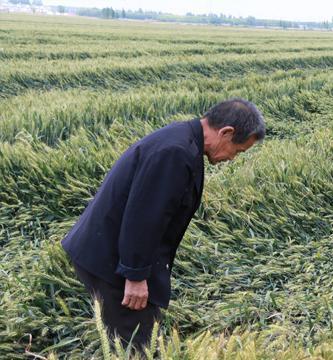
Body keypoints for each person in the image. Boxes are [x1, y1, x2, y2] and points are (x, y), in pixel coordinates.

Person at [61, 98, 265, 348]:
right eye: (238, 150)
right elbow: (144, 217)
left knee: (132, 339)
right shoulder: (175, 153)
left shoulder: (182, 140)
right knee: (134, 345)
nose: (233, 158)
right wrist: (135, 276)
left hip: (106, 251)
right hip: (111, 261)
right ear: (226, 132)